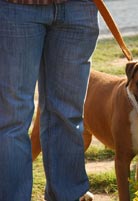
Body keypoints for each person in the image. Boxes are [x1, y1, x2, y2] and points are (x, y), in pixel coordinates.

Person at [0, 0, 99, 200]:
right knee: (13, 117)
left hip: (77, 7)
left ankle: (68, 195)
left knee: (68, 114)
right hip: (16, 7)